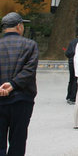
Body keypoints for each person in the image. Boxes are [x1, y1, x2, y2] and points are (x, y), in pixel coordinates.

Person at [0, 12, 38, 156]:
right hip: (22, 98)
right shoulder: (30, 45)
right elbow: (29, 70)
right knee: (18, 140)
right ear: (19, 26)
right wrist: (13, 84)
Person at [65, 26, 78, 104]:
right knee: (76, 80)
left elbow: (67, 53)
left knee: (71, 79)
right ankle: (74, 97)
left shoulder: (72, 42)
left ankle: (69, 96)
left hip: (71, 62)